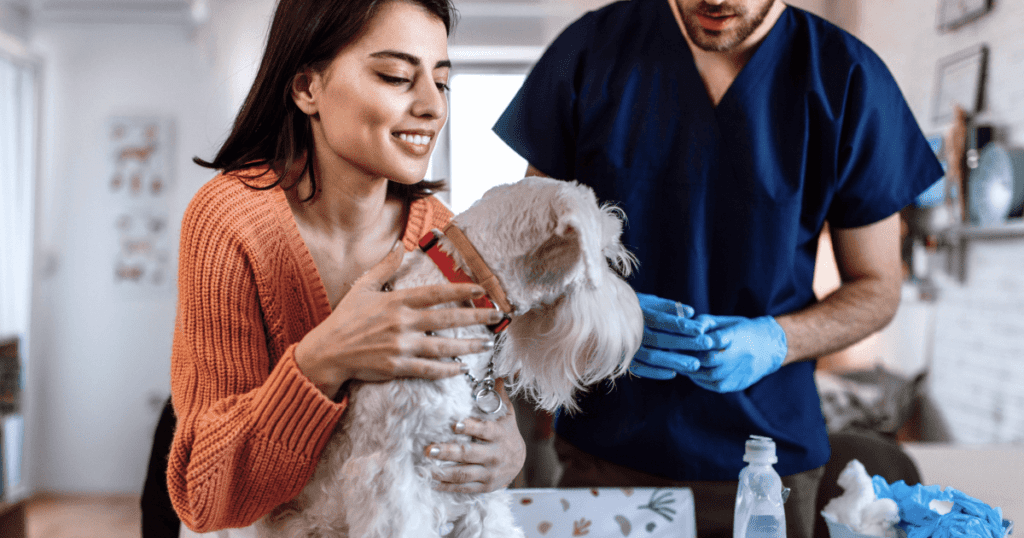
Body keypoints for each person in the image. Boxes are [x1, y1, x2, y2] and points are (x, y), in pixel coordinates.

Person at [492, 0, 942, 537]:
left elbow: (878, 288)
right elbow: (526, 256)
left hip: (771, 466)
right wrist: (606, 314)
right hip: (604, 454)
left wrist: (778, 339)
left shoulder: (847, 79)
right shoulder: (590, 52)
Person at [166, 0, 526, 534]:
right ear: (307, 88)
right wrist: (327, 356)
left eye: (442, 82)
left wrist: (506, 448)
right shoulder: (230, 220)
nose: (432, 106)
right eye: (396, 76)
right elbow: (206, 497)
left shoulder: (446, 238)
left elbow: (481, 395)